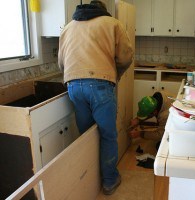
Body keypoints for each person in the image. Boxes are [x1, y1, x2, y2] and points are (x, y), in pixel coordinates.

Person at [58, 1, 133, 195]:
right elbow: (125, 57)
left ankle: (89, 181)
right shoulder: (112, 23)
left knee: (86, 137)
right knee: (107, 135)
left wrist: (75, 77)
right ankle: (109, 181)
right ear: (103, 10)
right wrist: (115, 74)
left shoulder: (67, 28)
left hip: (73, 86)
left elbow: (61, 62)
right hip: (100, 85)